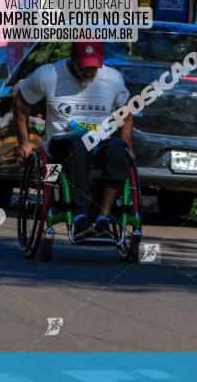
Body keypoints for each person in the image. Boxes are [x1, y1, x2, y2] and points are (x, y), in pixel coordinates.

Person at [15, 42, 133, 241]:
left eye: (93, 68)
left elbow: (127, 111)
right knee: (78, 143)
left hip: (99, 142)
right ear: (72, 58)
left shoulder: (112, 78)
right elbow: (21, 101)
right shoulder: (48, 75)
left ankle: (104, 218)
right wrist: (24, 141)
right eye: (83, 67)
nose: (88, 72)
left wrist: (127, 142)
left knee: (118, 148)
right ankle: (80, 217)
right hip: (62, 144)